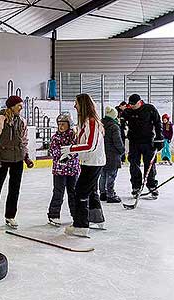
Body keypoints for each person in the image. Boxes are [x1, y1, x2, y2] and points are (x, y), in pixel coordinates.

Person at [0, 95, 32, 230]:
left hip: (18, 159)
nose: (21, 108)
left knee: (14, 189)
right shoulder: (0, 120)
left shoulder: (22, 121)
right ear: (11, 106)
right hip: (2, 159)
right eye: (19, 105)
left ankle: (10, 216)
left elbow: (24, 141)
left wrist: (26, 156)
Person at [60, 93, 106, 237]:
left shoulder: (92, 121)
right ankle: (95, 218)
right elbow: (83, 144)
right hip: (90, 161)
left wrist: (71, 149)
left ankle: (81, 225)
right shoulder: (85, 122)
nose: (74, 106)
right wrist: (69, 154)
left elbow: (91, 145)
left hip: (93, 162)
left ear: (83, 105)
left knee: (80, 191)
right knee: (91, 190)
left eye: (76, 103)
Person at [120, 94, 163, 198]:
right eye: (130, 104)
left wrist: (159, 138)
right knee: (134, 164)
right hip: (134, 142)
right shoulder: (128, 111)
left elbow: (158, 123)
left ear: (140, 102)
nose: (131, 106)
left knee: (150, 164)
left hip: (148, 142)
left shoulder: (149, 109)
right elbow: (121, 121)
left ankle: (151, 185)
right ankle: (136, 186)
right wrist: (121, 122)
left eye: (133, 104)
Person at [47, 112, 80, 227]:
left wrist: (69, 154)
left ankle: (76, 214)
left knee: (74, 193)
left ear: (69, 124)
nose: (60, 127)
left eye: (63, 124)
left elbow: (77, 150)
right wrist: (64, 154)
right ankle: (53, 214)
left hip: (73, 170)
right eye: (59, 124)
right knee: (58, 192)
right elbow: (53, 151)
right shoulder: (55, 137)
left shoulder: (75, 137)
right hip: (59, 171)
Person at [99, 106, 125, 203]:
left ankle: (102, 193)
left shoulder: (100, 125)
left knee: (103, 174)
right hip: (113, 155)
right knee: (111, 175)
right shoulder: (114, 126)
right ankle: (110, 194)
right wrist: (122, 151)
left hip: (102, 153)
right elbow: (117, 141)